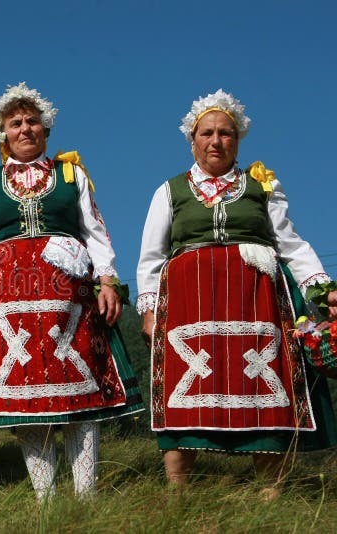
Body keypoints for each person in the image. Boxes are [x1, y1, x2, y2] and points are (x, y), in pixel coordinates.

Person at [136, 89, 337, 491]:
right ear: (192, 140)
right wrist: (149, 310)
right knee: (183, 392)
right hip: (187, 305)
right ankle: (178, 497)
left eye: (225, 133)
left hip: (256, 301)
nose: (216, 141)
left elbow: (292, 246)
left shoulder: (262, 186)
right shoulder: (170, 190)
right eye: (207, 133)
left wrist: (324, 291)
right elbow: (151, 257)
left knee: (263, 389)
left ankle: (270, 494)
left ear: (238, 139)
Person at [0, 83, 143, 500]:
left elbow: (96, 233)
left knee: (79, 388)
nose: (24, 129)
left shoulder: (70, 174)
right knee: (24, 392)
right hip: (7, 296)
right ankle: (45, 498)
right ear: (2, 133)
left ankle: (86, 495)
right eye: (15, 123)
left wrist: (107, 281)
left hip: (67, 294)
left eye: (32, 121)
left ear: (46, 129)